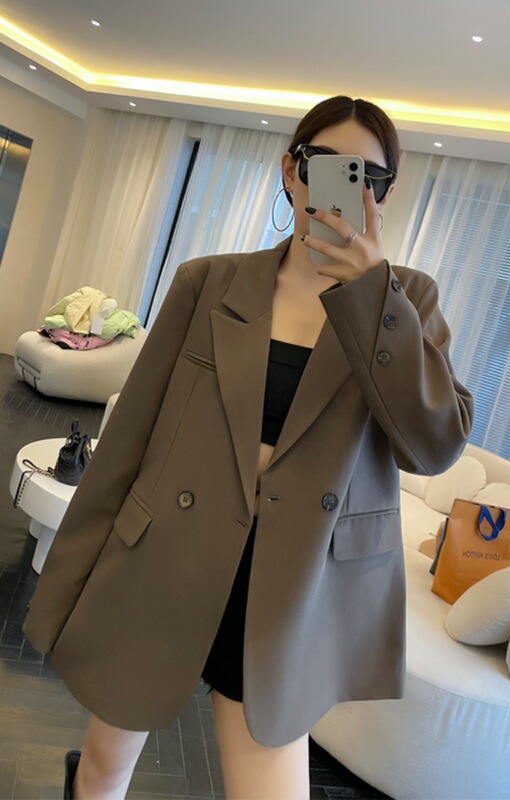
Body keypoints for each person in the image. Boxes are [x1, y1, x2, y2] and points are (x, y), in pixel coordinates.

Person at [22, 95, 473, 799]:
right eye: (326, 165)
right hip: (166, 559)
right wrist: (64, 587)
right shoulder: (209, 282)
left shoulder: (406, 300)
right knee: (106, 768)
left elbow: (434, 447)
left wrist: (371, 298)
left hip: (291, 586)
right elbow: (130, 439)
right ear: (291, 170)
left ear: (384, 195)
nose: (344, 187)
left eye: (368, 176)